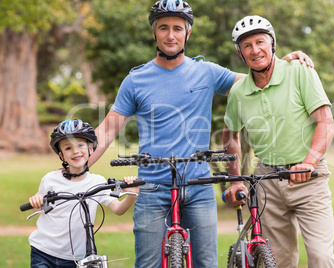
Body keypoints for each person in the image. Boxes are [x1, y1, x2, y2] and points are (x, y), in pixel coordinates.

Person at [88, 1, 313, 267]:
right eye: (163, 28)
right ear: (154, 33)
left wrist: (285, 64)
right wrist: (73, 171)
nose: (170, 35)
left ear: (187, 33)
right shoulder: (136, 80)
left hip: (198, 186)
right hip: (151, 187)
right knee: (147, 263)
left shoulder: (206, 72)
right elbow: (107, 131)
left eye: (177, 28)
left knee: (206, 263)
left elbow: (257, 80)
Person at [223, 15, 334, 268]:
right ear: (240, 54)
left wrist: (308, 163)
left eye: (260, 42)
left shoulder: (299, 71)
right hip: (267, 182)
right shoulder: (239, 92)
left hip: (309, 178)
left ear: (272, 44)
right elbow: (230, 136)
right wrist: (236, 179)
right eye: (247, 46)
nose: (255, 50)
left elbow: (326, 122)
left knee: (321, 257)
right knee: (279, 261)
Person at [28, 119, 139, 268]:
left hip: (74, 258)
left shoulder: (97, 182)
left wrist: (132, 194)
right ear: (61, 156)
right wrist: (36, 201)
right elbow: (39, 208)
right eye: (68, 148)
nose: (75, 151)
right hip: (43, 251)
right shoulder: (50, 179)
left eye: (80, 145)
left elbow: (118, 209)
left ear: (91, 149)